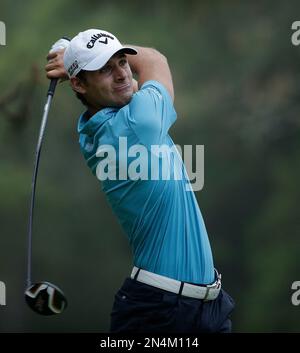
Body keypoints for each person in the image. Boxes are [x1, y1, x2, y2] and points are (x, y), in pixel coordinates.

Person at [45, 28, 235, 333]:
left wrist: (78, 61)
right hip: (161, 312)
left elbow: (125, 84)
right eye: (105, 69)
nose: (121, 74)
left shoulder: (94, 127)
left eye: (121, 61)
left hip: (203, 308)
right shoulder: (138, 124)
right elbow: (154, 60)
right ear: (78, 84)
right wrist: (73, 59)